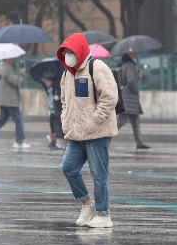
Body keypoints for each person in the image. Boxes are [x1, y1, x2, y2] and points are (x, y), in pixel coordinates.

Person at [58, 33, 118, 228]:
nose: (68, 56)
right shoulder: (67, 74)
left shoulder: (97, 68)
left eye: (70, 52)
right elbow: (65, 101)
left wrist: (94, 120)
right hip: (76, 133)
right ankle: (87, 204)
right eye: (65, 52)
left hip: (97, 133)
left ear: (80, 51)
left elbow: (109, 97)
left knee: (98, 174)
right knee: (68, 167)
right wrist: (65, 119)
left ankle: (103, 214)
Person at [0, 58, 31, 150]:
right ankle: (19, 142)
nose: (12, 59)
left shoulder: (0, 67)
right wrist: (21, 73)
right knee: (19, 121)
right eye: (11, 57)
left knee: (2, 120)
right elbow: (16, 81)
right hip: (10, 101)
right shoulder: (6, 68)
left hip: (4, 99)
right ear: (7, 58)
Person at [117, 52, 150, 151]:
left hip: (127, 97)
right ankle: (103, 137)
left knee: (135, 121)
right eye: (133, 52)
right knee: (120, 121)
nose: (135, 53)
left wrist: (137, 78)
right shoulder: (130, 65)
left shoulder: (123, 64)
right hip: (129, 97)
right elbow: (131, 81)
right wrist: (137, 80)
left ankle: (139, 142)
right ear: (128, 53)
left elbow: (123, 80)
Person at [41, 72, 64, 151]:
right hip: (53, 110)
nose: (45, 82)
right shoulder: (49, 88)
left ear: (51, 80)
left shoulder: (58, 87)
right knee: (53, 125)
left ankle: (58, 144)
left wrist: (59, 98)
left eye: (46, 81)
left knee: (58, 127)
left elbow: (65, 99)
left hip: (59, 110)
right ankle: (53, 140)